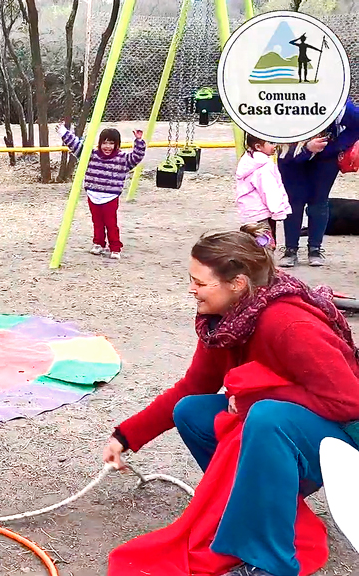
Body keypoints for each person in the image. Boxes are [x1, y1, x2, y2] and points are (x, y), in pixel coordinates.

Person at [102, 228, 359, 576]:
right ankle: (258, 509)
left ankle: (270, 561)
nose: (191, 289)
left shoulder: (289, 323)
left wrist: (258, 396)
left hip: (341, 439)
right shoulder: (225, 324)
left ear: (237, 284)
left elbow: (349, 401)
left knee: (267, 417)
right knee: (191, 412)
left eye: (200, 282)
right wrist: (126, 436)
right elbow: (192, 388)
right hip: (292, 424)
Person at [277, 98, 359, 267]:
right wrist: (306, 147)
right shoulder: (279, 97)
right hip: (289, 154)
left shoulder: (336, 101)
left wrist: (335, 146)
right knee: (294, 201)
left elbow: (357, 124)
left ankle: (315, 249)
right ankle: (290, 250)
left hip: (325, 158)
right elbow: (270, 130)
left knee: (319, 201)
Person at [56, 123, 145, 260]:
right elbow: (76, 145)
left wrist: (138, 141)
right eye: (104, 143)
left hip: (110, 196)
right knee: (97, 222)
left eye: (111, 143)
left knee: (111, 223)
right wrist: (63, 132)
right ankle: (98, 243)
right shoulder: (91, 156)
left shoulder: (122, 159)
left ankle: (115, 247)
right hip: (93, 194)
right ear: (100, 143)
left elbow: (137, 157)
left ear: (117, 145)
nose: (107, 147)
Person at [235, 134, 290, 249]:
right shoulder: (264, 167)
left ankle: (257, 265)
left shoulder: (248, 161)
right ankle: (266, 266)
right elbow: (269, 190)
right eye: (271, 143)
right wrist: (277, 211)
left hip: (250, 212)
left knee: (253, 243)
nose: (275, 146)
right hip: (262, 212)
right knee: (266, 244)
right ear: (258, 146)